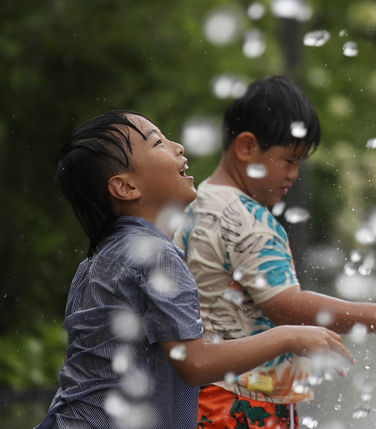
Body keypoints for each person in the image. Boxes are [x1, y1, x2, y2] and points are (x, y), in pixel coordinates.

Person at [37, 111, 352, 429]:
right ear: (126, 187)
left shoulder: (93, 263)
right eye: (158, 142)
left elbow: (78, 367)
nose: (178, 147)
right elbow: (194, 362)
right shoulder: (156, 254)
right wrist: (288, 336)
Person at [174, 76, 376, 428]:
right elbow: (287, 305)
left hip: (200, 394)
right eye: (288, 160)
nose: (294, 174)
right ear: (246, 147)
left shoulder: (200, 204)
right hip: (243, 402)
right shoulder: (249, 221)